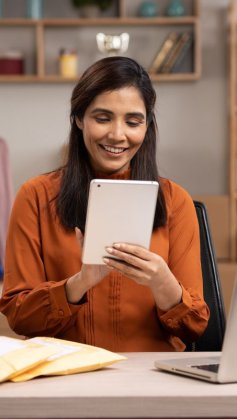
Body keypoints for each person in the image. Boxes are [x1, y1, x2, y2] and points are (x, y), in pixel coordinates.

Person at [0, 56, 209, 352]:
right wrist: (80, 283)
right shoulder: (35, 196)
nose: (117, 135)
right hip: (66, 375)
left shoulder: (176, 200)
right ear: (78, 118)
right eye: (102, 118)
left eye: (133, 121)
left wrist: (163, 283)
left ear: (147, 126)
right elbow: (20, 317)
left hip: (151, 377)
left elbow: (194, 328)